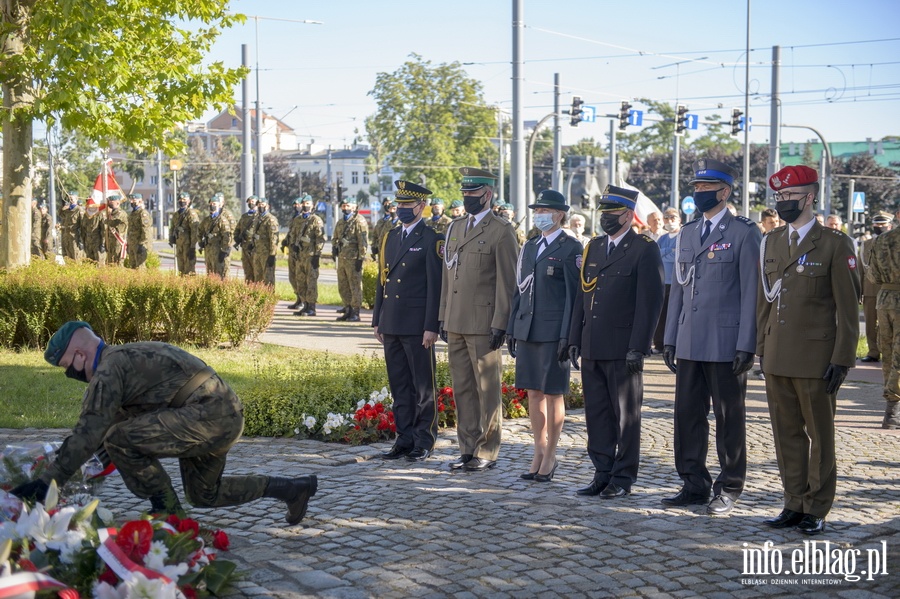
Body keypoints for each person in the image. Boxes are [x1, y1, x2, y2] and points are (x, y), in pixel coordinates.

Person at [10, 321, 318, 525]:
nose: (71, 375)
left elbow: (90, 430)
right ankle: (292, 489)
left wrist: (47, 482)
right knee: (203, 495)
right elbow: (119, 420)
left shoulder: (108, 369)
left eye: (67, 367)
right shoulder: (121, 357)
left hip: (207, 415)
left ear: (79, 354)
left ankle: (167, 511)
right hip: (221, 412)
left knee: (119, 438)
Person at [757, 165, 860, 534]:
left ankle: (817, 507)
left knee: (820, 435)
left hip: (817, 359)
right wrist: (760, 348)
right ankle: (793, 502)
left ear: (810, 197)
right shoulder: (771, 242)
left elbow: (849, 309)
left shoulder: (835, 243)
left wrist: (843, 358)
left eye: (790, 196)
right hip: (777, 354)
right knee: (786, 435)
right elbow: (764, 302)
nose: (784, 202)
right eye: (780, 197)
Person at [662, 158, 761, 516]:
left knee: (728, 418)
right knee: (687, 416)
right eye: (696, 188)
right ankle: (693, 483)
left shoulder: (743, 232)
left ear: (725, 192)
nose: (698, 194)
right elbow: (678, 290)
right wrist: (670, 337)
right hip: (689, 338)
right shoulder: (687, 233)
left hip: (725, 342)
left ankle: (730, 486)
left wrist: (747, 343)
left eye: (706, 189)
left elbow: (752, 292)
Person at [568, 186, 664, 498]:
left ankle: (622, 477)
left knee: (625, 416)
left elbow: (649, 303)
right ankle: (602, 471)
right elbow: (582, 298)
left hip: (623, 348)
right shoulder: (594, 247)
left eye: (611, 213)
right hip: (593, 344)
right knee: (597, 414)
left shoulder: (643, 248)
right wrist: (573, 338)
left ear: (626, 215)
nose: (606, 218)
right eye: (603, 213)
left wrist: (639, 345)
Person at [439, 167, 518, 471]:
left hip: (485, 324)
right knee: (462, 388)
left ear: (488, 194)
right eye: (465, 193)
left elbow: (507, 283)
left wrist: (501, 323)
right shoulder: (456, 227)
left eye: (473, 193)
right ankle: (467, 446)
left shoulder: (501, 230)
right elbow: (449, 276)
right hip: (456, 321)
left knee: (487, 390)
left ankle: (487, 449)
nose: (468, 198)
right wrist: (443, 316)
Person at [507, 190, 581, 482]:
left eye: (544, 209)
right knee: (533, 392)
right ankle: (538, 449)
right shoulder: (530, 246)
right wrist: (513, 326)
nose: (539, 214)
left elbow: (574, 298)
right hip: (528, 328)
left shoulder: (571, 247)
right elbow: (519, 290)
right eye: (537, 209)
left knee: (553, 393)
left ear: (559, 214)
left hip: (553, 332)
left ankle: (551, 453)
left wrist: (567, 335)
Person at [373, 181, 443, 461]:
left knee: (422, 386)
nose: (401, 209)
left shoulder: (431, 239)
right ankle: (403, 439)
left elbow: (435, 286)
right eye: (399, 204)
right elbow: (382, 279)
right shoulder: (390, 236)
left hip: (417, 325)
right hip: (391, 322)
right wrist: (378, 318)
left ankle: (424, 440)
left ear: (421, 207)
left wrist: (431, 326)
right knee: (400, 385)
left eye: (407, 205)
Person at [867, 219, 900, 429]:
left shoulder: (881, 240)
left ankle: (890, 409)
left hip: (885, 298)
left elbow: (872, 275)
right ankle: (894, 412)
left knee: (887, 353)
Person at [859, 212, 894, 363]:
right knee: (870, 323)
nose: (879, 227)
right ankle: (873, 352)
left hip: (891, 289)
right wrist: (859, 290)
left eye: (882, 224)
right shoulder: (866, 244)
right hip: (870, 289)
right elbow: (861, 269)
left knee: (890, 323)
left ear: (890, 225)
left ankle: (891, 352)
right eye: (877, 224)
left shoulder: (894, 243)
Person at [285, 195, 325, 317]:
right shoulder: (297, 220)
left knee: (311, 281)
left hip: (311, 255)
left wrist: (317, 255)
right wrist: (293, 246)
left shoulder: (316, 220)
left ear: (312, 205)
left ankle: (311, 307)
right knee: (300, 281)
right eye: (303, 203)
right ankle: (305, 304)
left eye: (308, 203)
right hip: (299, 256)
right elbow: (292, 235)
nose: (305, 205)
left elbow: (320, 239)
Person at [332, 197, 368, 322]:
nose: (346, 208)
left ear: (354, 207)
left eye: (348, 206)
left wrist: (360, 258)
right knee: (343, 285)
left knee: (355, 286)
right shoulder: (341, 222)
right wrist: (334, 248)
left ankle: (356, 312)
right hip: (342, 258)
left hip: (353, 259)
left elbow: (363, 242)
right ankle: (347, 310)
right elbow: (335, 236)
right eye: (344, 206)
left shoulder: (359, 221)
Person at [653, 207, 681, 353]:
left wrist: (665, 253)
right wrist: (669, 251)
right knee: (661, 314)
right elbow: (656, 254)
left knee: (675, 314)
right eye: (666, 218)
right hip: (662, 282)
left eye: (673, 218)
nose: (669, 221)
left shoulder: (683, 235)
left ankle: (673, 344)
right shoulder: (662, 238)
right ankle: (659, 344)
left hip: (678, 282)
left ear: (679, 220)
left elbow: (678, 256)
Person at [199, 193, 235, 279]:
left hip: (220, 250)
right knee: (210, 274)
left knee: (222, 275)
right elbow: (199, 230)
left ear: (220, 204)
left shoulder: (224, 218)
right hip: (209, 251)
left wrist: (225, 249)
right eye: (211, 204)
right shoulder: (207, 219)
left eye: (214, 204)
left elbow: (228, 234)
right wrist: (201, 242)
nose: (212, 206)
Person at [250, 197, 279, 287]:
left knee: (268, 277)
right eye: (259, 205)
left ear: (267, 206)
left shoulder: (270, 219)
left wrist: (272, 254)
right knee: (258, 277)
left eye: (262, 205)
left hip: (267, 253)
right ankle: (259, 297)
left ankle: (269, 298)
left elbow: (274, 239)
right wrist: (252, 244)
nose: (260, 207)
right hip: (257, 251)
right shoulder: (257, 219)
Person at [169, 192, 200, 275]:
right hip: (179, 245)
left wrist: (193, 247)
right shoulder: (176, 214)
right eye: (180, 199)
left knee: (189, 269)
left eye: (184, 200)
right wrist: (171, 237)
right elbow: (172, 227)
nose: (182, 201)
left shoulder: (191, 213)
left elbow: (195, 231)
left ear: (189, 201)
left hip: (188, 245)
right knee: (181, 269)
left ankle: (190, 286)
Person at [234, 195, 259, 282]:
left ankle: (257, 291)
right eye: (249, 202)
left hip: (254, 247)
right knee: (247, 270)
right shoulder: (244, 216)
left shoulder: (259, 216)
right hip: (244, 246)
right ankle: (249, 290)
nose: (251, 203)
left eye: (253, 201)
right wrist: (236, 237)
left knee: (256, 270)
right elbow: (237, 228)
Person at [126, 193, 153, 269]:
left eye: (134, 200)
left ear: (140, 201)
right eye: (131, 200)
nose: (132, 202)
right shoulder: (132, 214)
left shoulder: (142, 213)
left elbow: (146, 230)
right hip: (132, 244)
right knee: (133, 267)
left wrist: (143, 244)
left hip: (139, 245)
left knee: (140, 268)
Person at [103, 195, 128, 266]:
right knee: (111, 261)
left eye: (111, 202)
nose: (109, 203)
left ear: (117, 203)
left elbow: (113, 222)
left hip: (118, 241)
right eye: (109, 202)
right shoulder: (111, 213)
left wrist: (106, 219)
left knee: (118, 262)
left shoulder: (121, 213)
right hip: (111, 241)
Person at [370, 197, 398, 261]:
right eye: (386, 203)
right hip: (381, 250)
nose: (388, 205)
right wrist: (374, 247)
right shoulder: (380, 221)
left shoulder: (396, 220)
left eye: (390, 203)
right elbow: (375, 235)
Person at [59, 192, 83, 260]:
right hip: (67, 236)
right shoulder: (67, 210)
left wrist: (81, 240)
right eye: (69, 199)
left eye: (72, 199)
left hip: (75, 237)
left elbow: (82, 225)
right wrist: (62, 206)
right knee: (67, 258)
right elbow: (61, 214)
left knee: (76, 258)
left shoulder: (79, 210)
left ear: (76, 199)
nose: (70, 201)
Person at [81, 198, 106, 263]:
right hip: (88, 242)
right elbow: (83, 229)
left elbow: (103, 230)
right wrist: (82, 241)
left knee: (99, 262)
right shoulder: (86, 215)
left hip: (97, 242)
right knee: (89, 262)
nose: (88, 205)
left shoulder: (99, 214)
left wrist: (103, 243)